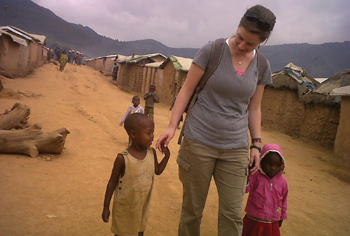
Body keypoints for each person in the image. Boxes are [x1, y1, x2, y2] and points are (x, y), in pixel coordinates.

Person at [156, 4, 276, 236]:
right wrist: (173, 126)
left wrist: (256, 144)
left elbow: (254, 107)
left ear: (262, 42)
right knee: (192, 211)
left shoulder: (262, 65)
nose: (242, 46)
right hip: (198, 142)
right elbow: (186, 90)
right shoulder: (212, 51)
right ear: (238, 26)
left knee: (232, 215)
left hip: (235, 148)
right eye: (239, 37)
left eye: (250, 44)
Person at [102, 113, 170, 236]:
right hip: (124, 209)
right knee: (122, 232)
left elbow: (158, 170)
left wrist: (167, 156)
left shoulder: (151, 153)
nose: (152, 137)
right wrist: (106, 207)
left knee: (139, 231)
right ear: (133, 134)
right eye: (148, 133)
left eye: (153, 133)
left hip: (142, 207)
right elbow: (112, 183)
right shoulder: (123, 158)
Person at [242, 144, 288, 236]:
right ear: (261, 162)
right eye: (269, 164)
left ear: (281, 165)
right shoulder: (255, 176)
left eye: (277, 165)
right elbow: (246, 189)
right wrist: (248, 174)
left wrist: (282, 216)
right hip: (253, 219)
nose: (273, 168)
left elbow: (284, 200)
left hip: (272, 222)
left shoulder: (282, 182)